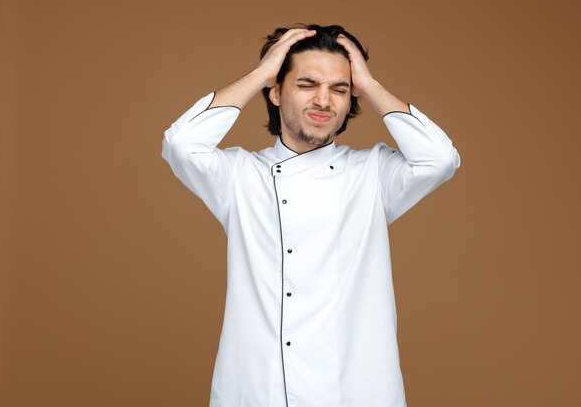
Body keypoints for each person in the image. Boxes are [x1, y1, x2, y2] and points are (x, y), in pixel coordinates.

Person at [162, 24, 461, 407]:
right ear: (276, 90)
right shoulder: (239, 176)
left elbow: (440, 158)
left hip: (354, 394)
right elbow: (181, 143)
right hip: (257, 393)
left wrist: (367, 84)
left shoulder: (372, 174)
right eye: (306, 84)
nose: (323, 100)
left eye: (338, 88)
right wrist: (259, 74)